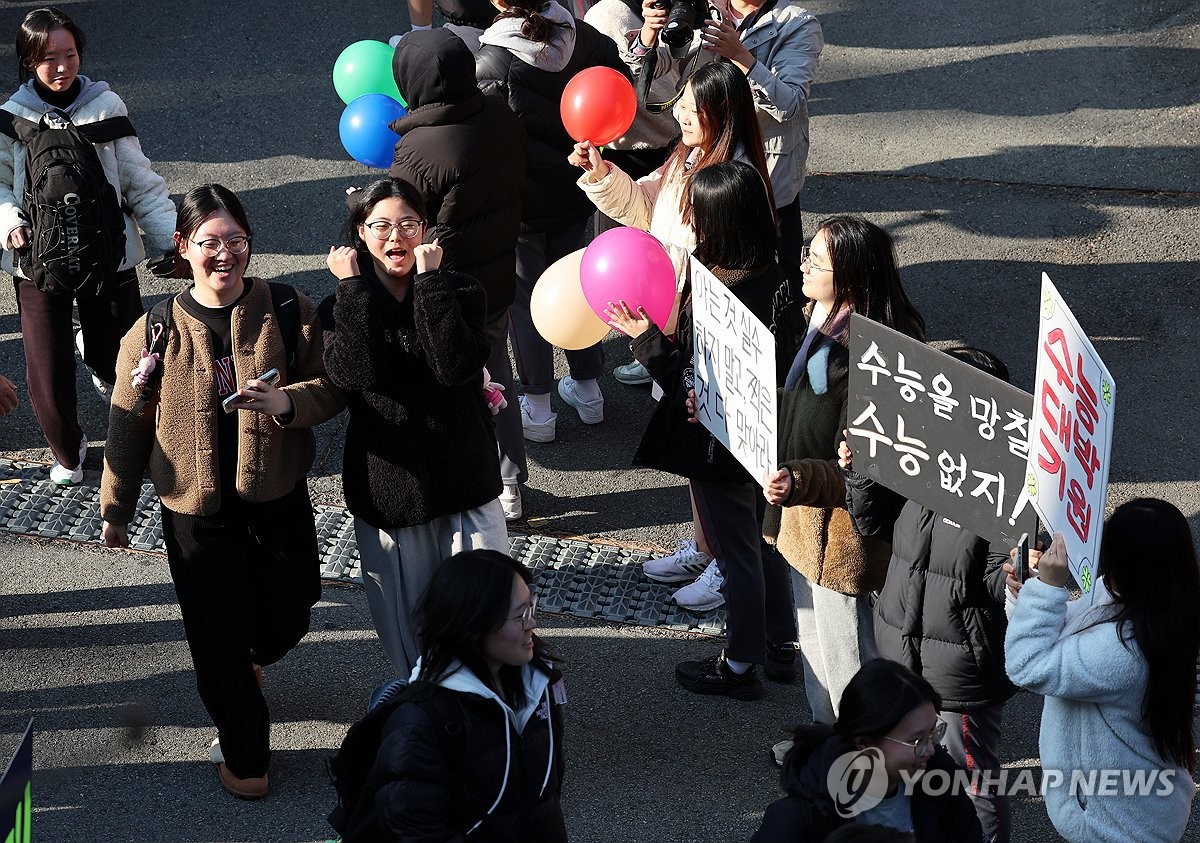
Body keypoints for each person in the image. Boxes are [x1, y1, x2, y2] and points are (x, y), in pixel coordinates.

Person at [100, 184, 343, 799]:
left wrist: (290, 401)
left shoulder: (288, 308)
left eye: (235, 241)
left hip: (277, 496)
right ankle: (246, 759)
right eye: (209, 242)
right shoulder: (154, 328)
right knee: (214, 640)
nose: (224, 254)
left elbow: (332, 385)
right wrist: (115, 507)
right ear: (183, 247)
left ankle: (250, 658)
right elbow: (127, 422)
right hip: (193, 514)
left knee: (292, 608)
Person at [571, 58, 774, 613]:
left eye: (691, 105)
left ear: (721, 113)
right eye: (679, 102)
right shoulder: (684, 159)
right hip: (675, 318)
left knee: (717, 452)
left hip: (708, 328)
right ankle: (707, 546)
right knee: (692, 445)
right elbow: (642, 210)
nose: (679, 113)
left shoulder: (731, 180)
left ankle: (731, 563)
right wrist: (601, 172)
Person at [605, 161, 795, 698]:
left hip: (720, 443)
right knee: (765, 544)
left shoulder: (716, 288)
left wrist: (645, 338)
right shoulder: (778, 277)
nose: (689, 223)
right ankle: (782, 647)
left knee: (737, 552)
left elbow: (692, 376)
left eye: (696, 213)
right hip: (769, 437)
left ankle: (738, 665)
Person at [322, 178, 509, 683]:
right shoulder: (342, 302)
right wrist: (352, 289)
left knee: (486, 613)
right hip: (392, 493)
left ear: (425, 230)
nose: (396, 236)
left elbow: (454, 365)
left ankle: (491, 708)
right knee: (412, 625)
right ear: (361, 234)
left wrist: (429, 283)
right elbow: (357, 372)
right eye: (380, 225)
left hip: (466, 482)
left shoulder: (462, 290)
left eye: (408, 223)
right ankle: (424, 707)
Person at [841, 346, 1018, 843]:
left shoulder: (1007, 485)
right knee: (915, 778)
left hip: (961, 664)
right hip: (901, 649)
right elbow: (872, 522)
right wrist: (863, 470)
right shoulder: (918, 453)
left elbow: (992, 580)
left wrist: (1015, 574)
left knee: (970, 779)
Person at [0, 6, 175, 485]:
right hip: (37, 261)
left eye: (70, 54)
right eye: (49, 57)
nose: (62, 67)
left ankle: (122, 418)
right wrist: (9, 222)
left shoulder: (106, 107)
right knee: (46, 376)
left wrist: (168, 240)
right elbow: (0, 186)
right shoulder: (11, 120)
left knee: (120, 356)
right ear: (27, 61)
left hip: (109, 254)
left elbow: (139, 179)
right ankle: (69, 452)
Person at [763, 216, 926, 726]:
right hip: (800, 520)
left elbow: (859, 467)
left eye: (817, 260)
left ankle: (860, 753)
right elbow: (796, 411)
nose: (804, 263)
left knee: (847, 657)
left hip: (839, 537)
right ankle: (826, 740)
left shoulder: (870, 360)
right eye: (807, 251)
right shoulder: (817, 320)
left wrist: (797, 480)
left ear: (851, 280)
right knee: (812, 640)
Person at [387, 28, 530, 522]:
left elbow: (403, 224)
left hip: (443, 286)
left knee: (449, 381)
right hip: (496, 273)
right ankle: (511, 483)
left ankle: (468, 479)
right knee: (498, 373)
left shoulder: (420, 148)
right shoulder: (500, 113)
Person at [475, 0, 628, 444]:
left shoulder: (490, 60)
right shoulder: (588, 38)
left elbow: (488, 141)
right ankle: (589, 390)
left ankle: (538, 408)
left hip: (520, 207)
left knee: (526, 301)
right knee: (581, 285)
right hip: (580, 188)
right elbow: (622, 91)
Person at [1004, 500, 1200, 842]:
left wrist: (1047, 589)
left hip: (1117, 823)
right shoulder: (1162, 607)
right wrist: (1029, 593)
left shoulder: (1124, 652)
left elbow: (1029, 664)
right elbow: (1065, 633)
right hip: (1140, 805)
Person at [341, 549, 566, 841]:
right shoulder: (419, 723)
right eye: (519, 615)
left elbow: (548, 789)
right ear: (474, 626)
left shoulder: (539, 684)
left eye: (531, 607)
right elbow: (414, 830)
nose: (532, 623)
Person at [633, 0, 823, 332]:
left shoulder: (797, 24)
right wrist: (650, 33)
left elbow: (790, 104)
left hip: (762, 177)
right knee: (694, 270)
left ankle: (786, 351)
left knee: (774, 277)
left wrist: (743, 58)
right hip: (703, 159)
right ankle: (674, 345)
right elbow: (655, 65)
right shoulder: (701, 8)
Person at [751, 658, 982, 841]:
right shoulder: (797, 820)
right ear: (864, 743)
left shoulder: (938, 777)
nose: (930, 749)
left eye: (934, 732)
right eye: (916, 740)